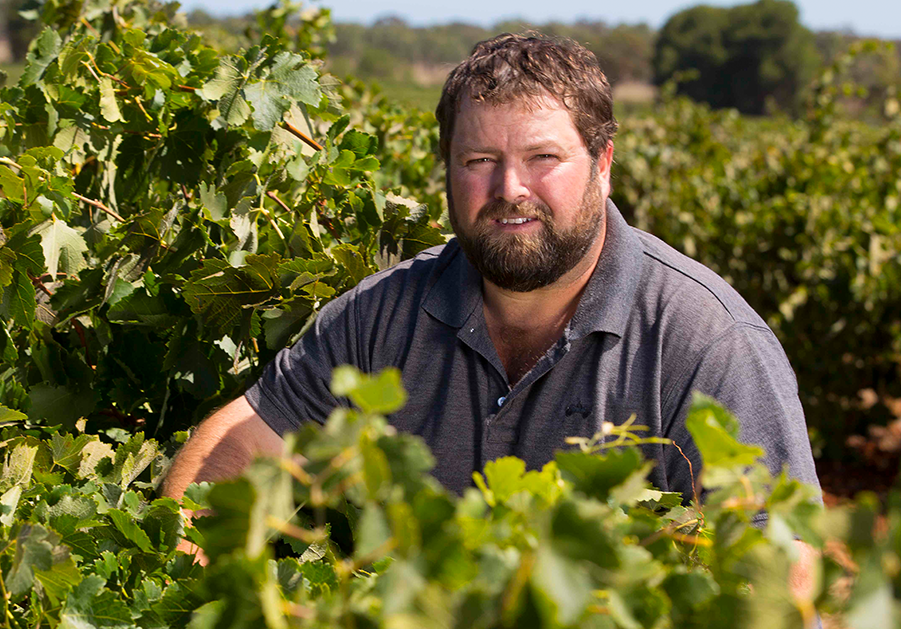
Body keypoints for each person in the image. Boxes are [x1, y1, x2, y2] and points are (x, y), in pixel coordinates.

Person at [163, 33, 822, 560]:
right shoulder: (382, 316)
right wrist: (185, 568)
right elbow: (242, 446)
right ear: (447, 167)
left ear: (604, 163)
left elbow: (779, 568)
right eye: (479, 161)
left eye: (543, 158)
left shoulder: (705, 342)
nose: (510, 188)